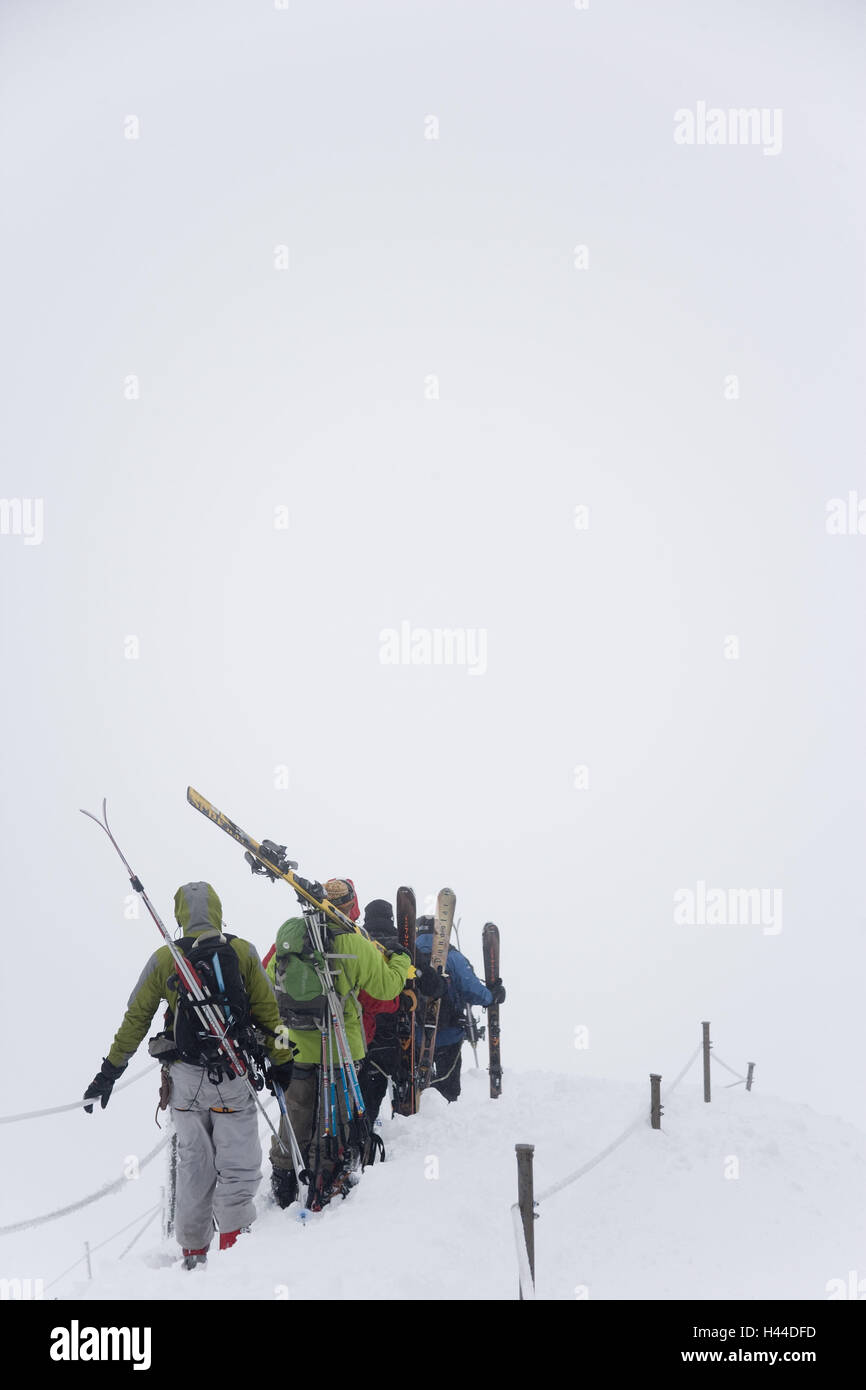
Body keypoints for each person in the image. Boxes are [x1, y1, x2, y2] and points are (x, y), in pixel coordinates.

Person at [82, 882, 293, 1269]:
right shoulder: (243, 951)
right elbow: (271, 1016)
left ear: (180, 915)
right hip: (231, 1077)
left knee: (194, 1162)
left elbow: (136, 1019)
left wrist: (109, 1071)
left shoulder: (166, 958)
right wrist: (282, 1060)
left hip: (184, 1082)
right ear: (217, 910)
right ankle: (234, 1252)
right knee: (238, 1165)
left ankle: (193, 1254)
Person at [266, 879, 411, 1210]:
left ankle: (283, 1182)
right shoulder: (355, 944)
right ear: (351, 906)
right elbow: (387, 988)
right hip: (340, 1046)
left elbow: (270, 978)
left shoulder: (292, 938)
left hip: (296, 1043)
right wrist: (400, 961)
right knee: (333, 1119)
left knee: (296, 1112)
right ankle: (325, 1178)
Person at [357, 899, 446, 1133]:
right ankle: (404, 1138)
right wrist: (438, 983)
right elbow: (432, 985)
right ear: (391, 919)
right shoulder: (405, 949)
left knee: (366, 1100)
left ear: (366, 919)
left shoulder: (358, 945)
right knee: (404, 1092)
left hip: (363, 1035)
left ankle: (363, 1146)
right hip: (400, 1036)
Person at [415, 916, 506, 1103]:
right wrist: (492, 996)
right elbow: (471, 988)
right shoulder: (452, 957)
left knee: (414, 1086)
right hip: (449, 1034)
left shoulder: (407, 956)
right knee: (448, 1089)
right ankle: (446, 1113)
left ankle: (413, 1118)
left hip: (414, 1035)